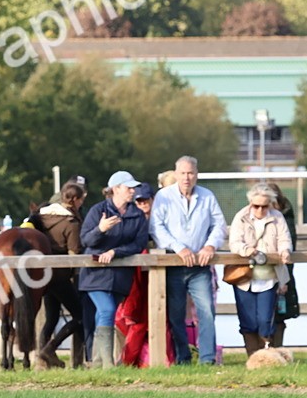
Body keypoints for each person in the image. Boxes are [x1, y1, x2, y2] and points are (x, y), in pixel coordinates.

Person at [150, 156, 227, 365]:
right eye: (183, 173)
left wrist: (210, 245)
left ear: (196, 174)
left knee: (207, 312)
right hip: (173, 265)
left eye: (190, 173)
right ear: (175, 174)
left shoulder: (207, 196)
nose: (186, 177)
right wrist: (178, 247)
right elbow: (156, 227)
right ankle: (182, 358)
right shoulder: (163, 196)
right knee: (175, 316)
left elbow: (219, 225)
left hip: (200, 267)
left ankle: (207, 359)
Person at [77, 171, 150, 368]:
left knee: (103, 314)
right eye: (129, 187)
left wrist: (115, 251)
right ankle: (109, 363)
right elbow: (85, 240)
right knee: (107, 310)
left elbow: (139, 243)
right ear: (116, 189)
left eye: (133, 187)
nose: (133, 191)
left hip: (120, 277)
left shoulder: (137, 215)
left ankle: (98, 364)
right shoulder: (97, 211)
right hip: (95, 274)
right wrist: (100, 229)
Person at [114, 183, 175, 367]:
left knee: (161, 321)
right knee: (134, 323)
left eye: (145, 200)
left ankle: (164, 360)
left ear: (152, 200)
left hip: (161, 279)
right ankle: (127, 361)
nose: (142, 204)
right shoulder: (132, 220)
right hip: (136, 281)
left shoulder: (163, 220)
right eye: (138, 201)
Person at [227, 183, 293, 355]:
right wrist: (246, 250)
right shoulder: (241, 217)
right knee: (248, 321)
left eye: (264, 206)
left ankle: (267, 356)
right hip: (244, 278)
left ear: (270, 204)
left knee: (266, 320)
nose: (260, 210)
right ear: (250, 203)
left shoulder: (277, 217)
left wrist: (285, 251)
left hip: (270, 278)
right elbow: (234, 242)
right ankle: (252, 357)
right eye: (256, 206)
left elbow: (285, 239)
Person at [37, 181, 87, 363]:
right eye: (81, 200)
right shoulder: (71, 222)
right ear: (74, 200)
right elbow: (74, 254)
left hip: (43, 276)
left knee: (51, 318)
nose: (81, 204)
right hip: (61, 277)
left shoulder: (42, 217)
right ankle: (51, 349)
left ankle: (41, 359)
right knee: (80, 316)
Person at [266, 182, 300, 346]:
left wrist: (283, 278)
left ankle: (276, 348)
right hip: (262, 270)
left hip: (281, 268)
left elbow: (288, 245)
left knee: (279, 313)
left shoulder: (284, 219)